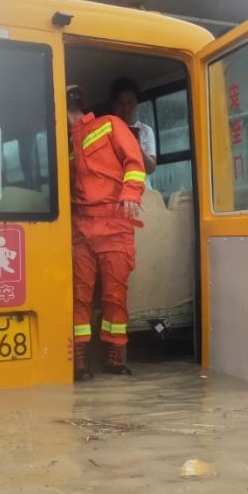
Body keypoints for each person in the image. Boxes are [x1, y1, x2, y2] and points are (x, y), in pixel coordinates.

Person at [66, 84, 146, 381]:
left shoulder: (110, 125)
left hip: (114, 224)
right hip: (82, 227)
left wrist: (130, 193)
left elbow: (134, 162)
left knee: (115, 296)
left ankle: (113, 357)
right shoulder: (66, 145)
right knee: (79, 295)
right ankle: (80, 359)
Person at [109, 77, 157, 175]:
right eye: (121, 103)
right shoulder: (108, 131)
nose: (126, 108)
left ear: (136, 103)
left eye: (130, 103)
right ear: (114, 106)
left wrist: (137, 145)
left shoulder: (145, 130)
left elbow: (151, 169)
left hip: (144, 189)